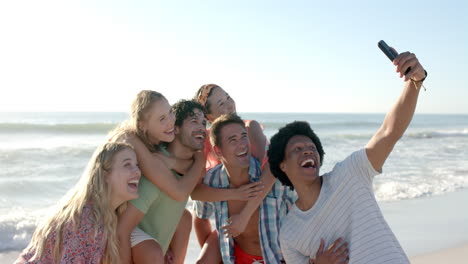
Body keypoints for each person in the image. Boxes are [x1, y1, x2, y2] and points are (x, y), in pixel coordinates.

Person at [267, 49, 427, 263]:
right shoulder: (290, 233)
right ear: (282, 165)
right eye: (297, 149)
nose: (307, 150)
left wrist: (415, 82)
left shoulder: (351, 173)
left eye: (311, 147)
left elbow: (389, 132)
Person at [194, 114, 348, 264]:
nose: (242, 144)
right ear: (218, 151)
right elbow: (201, 217)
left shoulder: (273, 178)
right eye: (233, 140)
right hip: (236, 257)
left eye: (243, 137)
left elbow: (311, 213)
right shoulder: (212, 181)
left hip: (278, 258)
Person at [111, 92, 206, 264]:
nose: (171, 121)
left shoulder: (153, 145)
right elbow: (179, 192)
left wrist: (183, 161)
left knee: (184, 218)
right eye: (162, 119)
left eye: (170, 113)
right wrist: (201, 159)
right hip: (102, 217)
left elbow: (178, 174)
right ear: (143, 124)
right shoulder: (132, 141)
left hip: (127, 223)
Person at [15, 142, 141, 264]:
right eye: (127, 165)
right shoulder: (85, 219)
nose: (137, 172)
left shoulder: (103, 215)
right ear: (105, 175)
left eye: (137, 165)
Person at [192, 84, 274, 261]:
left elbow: (270, 171)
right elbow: (196, 193)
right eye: (221, 104)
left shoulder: (250, 128)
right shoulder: (206, 143)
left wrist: (244, 216)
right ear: (209, 116)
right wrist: (234, 194)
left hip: (265, 222)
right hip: (233, 232)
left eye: (228, 97)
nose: (230, 105)